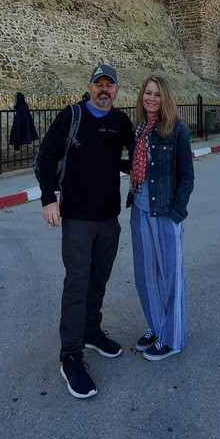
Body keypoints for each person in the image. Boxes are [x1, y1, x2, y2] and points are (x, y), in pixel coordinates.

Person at [36, 64, 134, 398]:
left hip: (109, 219)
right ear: (89, 87)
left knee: (98, 280)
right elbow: (45, 159)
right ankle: (71, 356)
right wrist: (48, 200)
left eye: (110, 85)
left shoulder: (121, 122)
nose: (104, 90)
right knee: (77, 283)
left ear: (117, 90)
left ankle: (92, 332)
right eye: (99, 84)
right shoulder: (72, 116)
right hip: (77, 219)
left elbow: (133, 159)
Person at [126, 74, 194, 361]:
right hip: (140, 211)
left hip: (166, 213)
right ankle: (157, 327)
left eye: (156, 94)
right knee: (146, 276)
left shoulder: (177, 130)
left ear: (165, 98)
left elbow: (186, 177)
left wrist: (177, 214)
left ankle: (173, 337)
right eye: (147, 93)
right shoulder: (139, 130)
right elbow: (134, 165)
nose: (151, 98)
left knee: (170, 277)